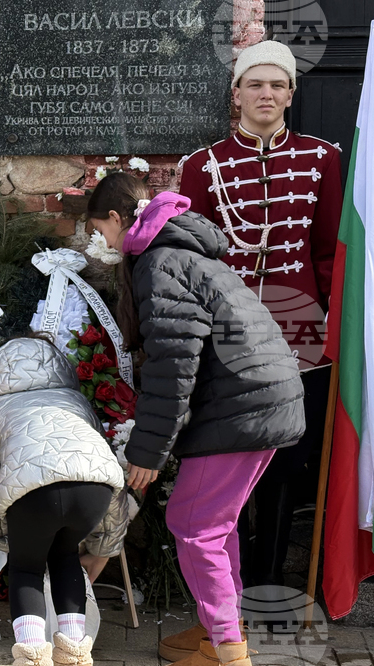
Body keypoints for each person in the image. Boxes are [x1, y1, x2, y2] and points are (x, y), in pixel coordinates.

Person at [87, 172, 305, 666]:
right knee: (213, 523)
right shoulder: (180, 252)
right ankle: (220, 629)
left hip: (244, 405)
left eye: (102, 232)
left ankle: (228, 650)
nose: (105, 244)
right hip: (253, 399)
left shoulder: (160, 262)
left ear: (120, 220)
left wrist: (146, 453)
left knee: (194, 524)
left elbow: (173, 365)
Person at [173, 40, 341, 659]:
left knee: (284, 470)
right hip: (228, 339)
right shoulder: (203, 166)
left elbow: (328, 253)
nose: (266, 95)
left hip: (300, 337)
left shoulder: (322, 160)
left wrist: (333, 332)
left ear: (291, 94)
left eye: (277, 85)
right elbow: (188, 261)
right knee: (225, 473)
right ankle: (227, 609)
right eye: (254, 84)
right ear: (236, 93)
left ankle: (269, 592)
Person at [0, 336, 129, 666]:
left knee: (26, 568)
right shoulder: (75, 399)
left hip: (32, 496)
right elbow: (106, 462)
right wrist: (106, 545)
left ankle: (31, 658)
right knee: (65, 557)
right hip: (93, 491)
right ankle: (74, 655)